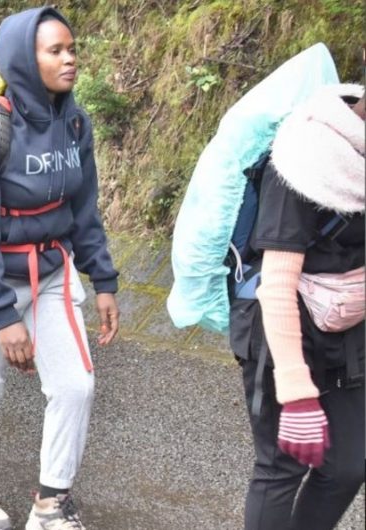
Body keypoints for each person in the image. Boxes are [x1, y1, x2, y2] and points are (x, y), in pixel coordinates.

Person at [0, 8, 120, 530]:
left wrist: (104, 279)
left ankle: (51, 503)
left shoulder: (76, 122)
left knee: (75, 386)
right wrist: (3, 316)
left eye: (72, 49)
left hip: (50, 272)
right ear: (25, 57)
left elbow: (84, 210)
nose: (69, 59)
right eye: (55, 51)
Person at [232, 84, 365, 530]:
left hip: (347, 327)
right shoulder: (306, 152)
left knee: (348, 464)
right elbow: (277, 282)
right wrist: (296, 391)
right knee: (282, 467)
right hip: (281, 325)